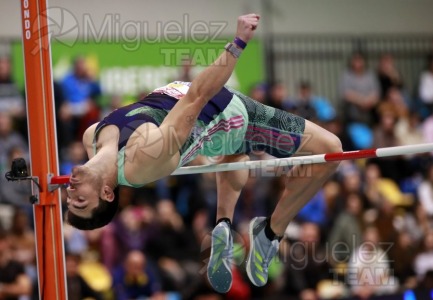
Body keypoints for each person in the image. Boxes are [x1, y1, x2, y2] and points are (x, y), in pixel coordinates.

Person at [65, 14, 342, 293]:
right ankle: (272, 231)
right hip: (233, 115)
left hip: (208, 133)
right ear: (106, 194)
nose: (70, 192)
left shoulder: (92, 138)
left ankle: (223, 222)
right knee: (332, 149)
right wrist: (239, 42)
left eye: (69, 200)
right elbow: (198, 95)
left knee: (235, 155)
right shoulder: (143, 159)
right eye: (80, 201)